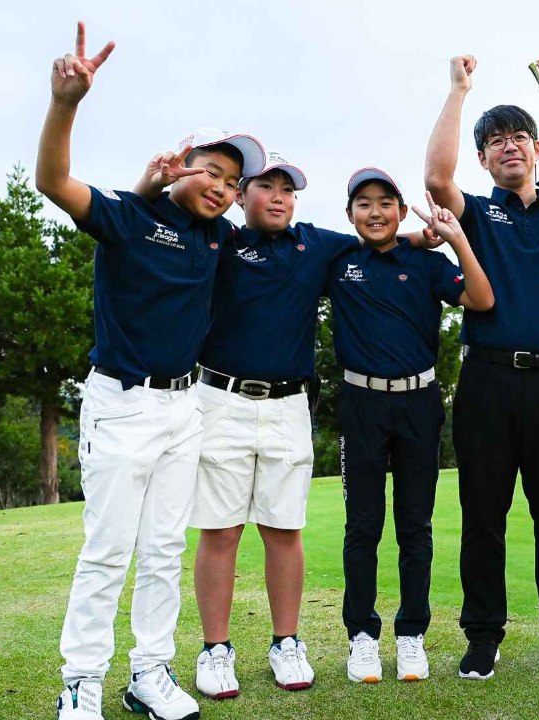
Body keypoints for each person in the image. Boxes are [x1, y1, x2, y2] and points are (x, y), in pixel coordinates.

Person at [129, 151, 443, 700]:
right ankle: (215, 648)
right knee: (221, 530)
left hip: (289, 404)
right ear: (240, 195)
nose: (278, 198)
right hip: (220, 398)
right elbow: (149, 222)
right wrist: (155, 182)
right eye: (265, 187)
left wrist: (421, 238)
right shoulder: (219, 239)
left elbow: (377, 241)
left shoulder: (316, 245)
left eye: (287, 190)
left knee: (283, 529)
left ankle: (286, 642)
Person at [39, 22, 264, 720]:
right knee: (108, 551)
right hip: (120, 404)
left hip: (183, 409)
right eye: (211, 171)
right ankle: (81, 682)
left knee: (165, 549)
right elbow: (52, 181)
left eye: (232, 181)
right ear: (179, 164)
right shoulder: (127, 217)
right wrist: (66, 103)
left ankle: (150, 673)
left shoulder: (218, 236)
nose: (222, 187)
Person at [425, 54, 539, 680]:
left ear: (537, 148)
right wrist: (459, 91)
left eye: (519, 137)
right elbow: (436, 177)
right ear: (484, 159)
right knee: (483, 517)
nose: (509, 146)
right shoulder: (479, 213)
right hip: (488, 379)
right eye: (496, 141)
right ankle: (483, 635)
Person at [328, 170, 494, 684]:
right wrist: (414, 235)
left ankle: (411, 634)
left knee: (415, 526)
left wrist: (453, 238)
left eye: (385, 203)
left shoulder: (427, 263)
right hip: (360, 404)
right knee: (363, 526)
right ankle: (361, 635)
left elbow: (482, 299)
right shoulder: (338, 261)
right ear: (349, 214)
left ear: (401, 211)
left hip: (419, 402)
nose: (374, 212)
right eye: (363, 203)